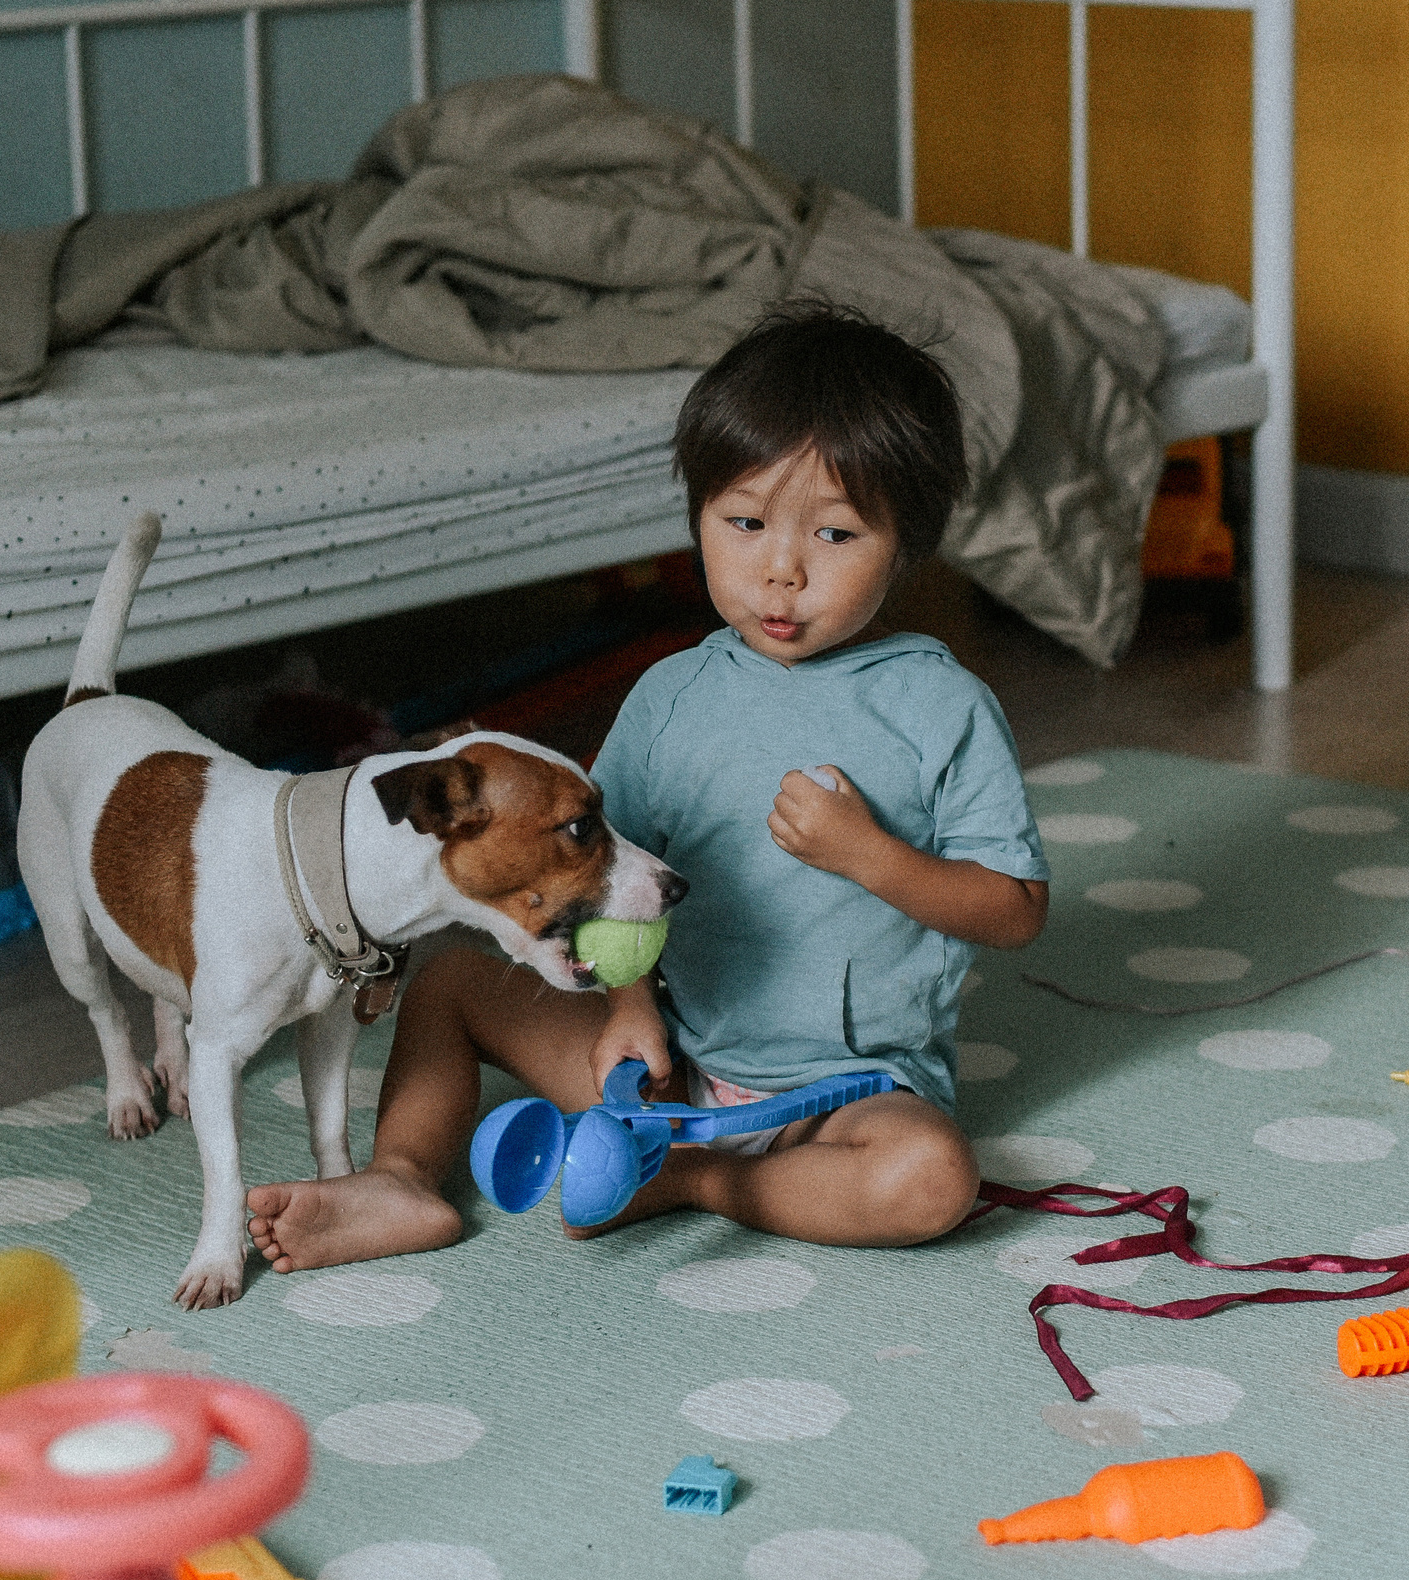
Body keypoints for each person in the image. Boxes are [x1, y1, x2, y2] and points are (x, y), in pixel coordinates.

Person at [245, 303, 1049, 1270]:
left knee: (931, 1181)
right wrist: (628, 1008)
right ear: (700, 515)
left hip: (846, 1097)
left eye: (834, 536)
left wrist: (868, 856)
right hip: (666, 1071)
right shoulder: (672, 699)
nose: (781, 572)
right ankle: (402, 1178)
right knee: (454, 976)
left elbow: (1014, 911)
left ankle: (690, 1181)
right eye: (744, 523)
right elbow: (598, 882)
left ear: (906, 541)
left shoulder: (939, 704)